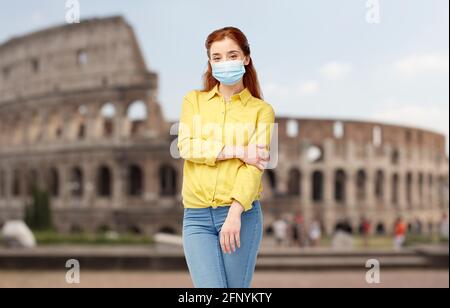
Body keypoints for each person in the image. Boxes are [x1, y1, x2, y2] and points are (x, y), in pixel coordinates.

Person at [179, 27, 275, 288]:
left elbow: (254, 169)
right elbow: (186, 146)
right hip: (196, 216)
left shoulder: (262, 111)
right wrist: (238, 151)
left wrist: (234, 214)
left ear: (246, 58)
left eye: (232, 55)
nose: (224, 63)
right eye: (217, 57)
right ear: (210, 62)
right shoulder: (193, 101)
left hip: (240, 215)